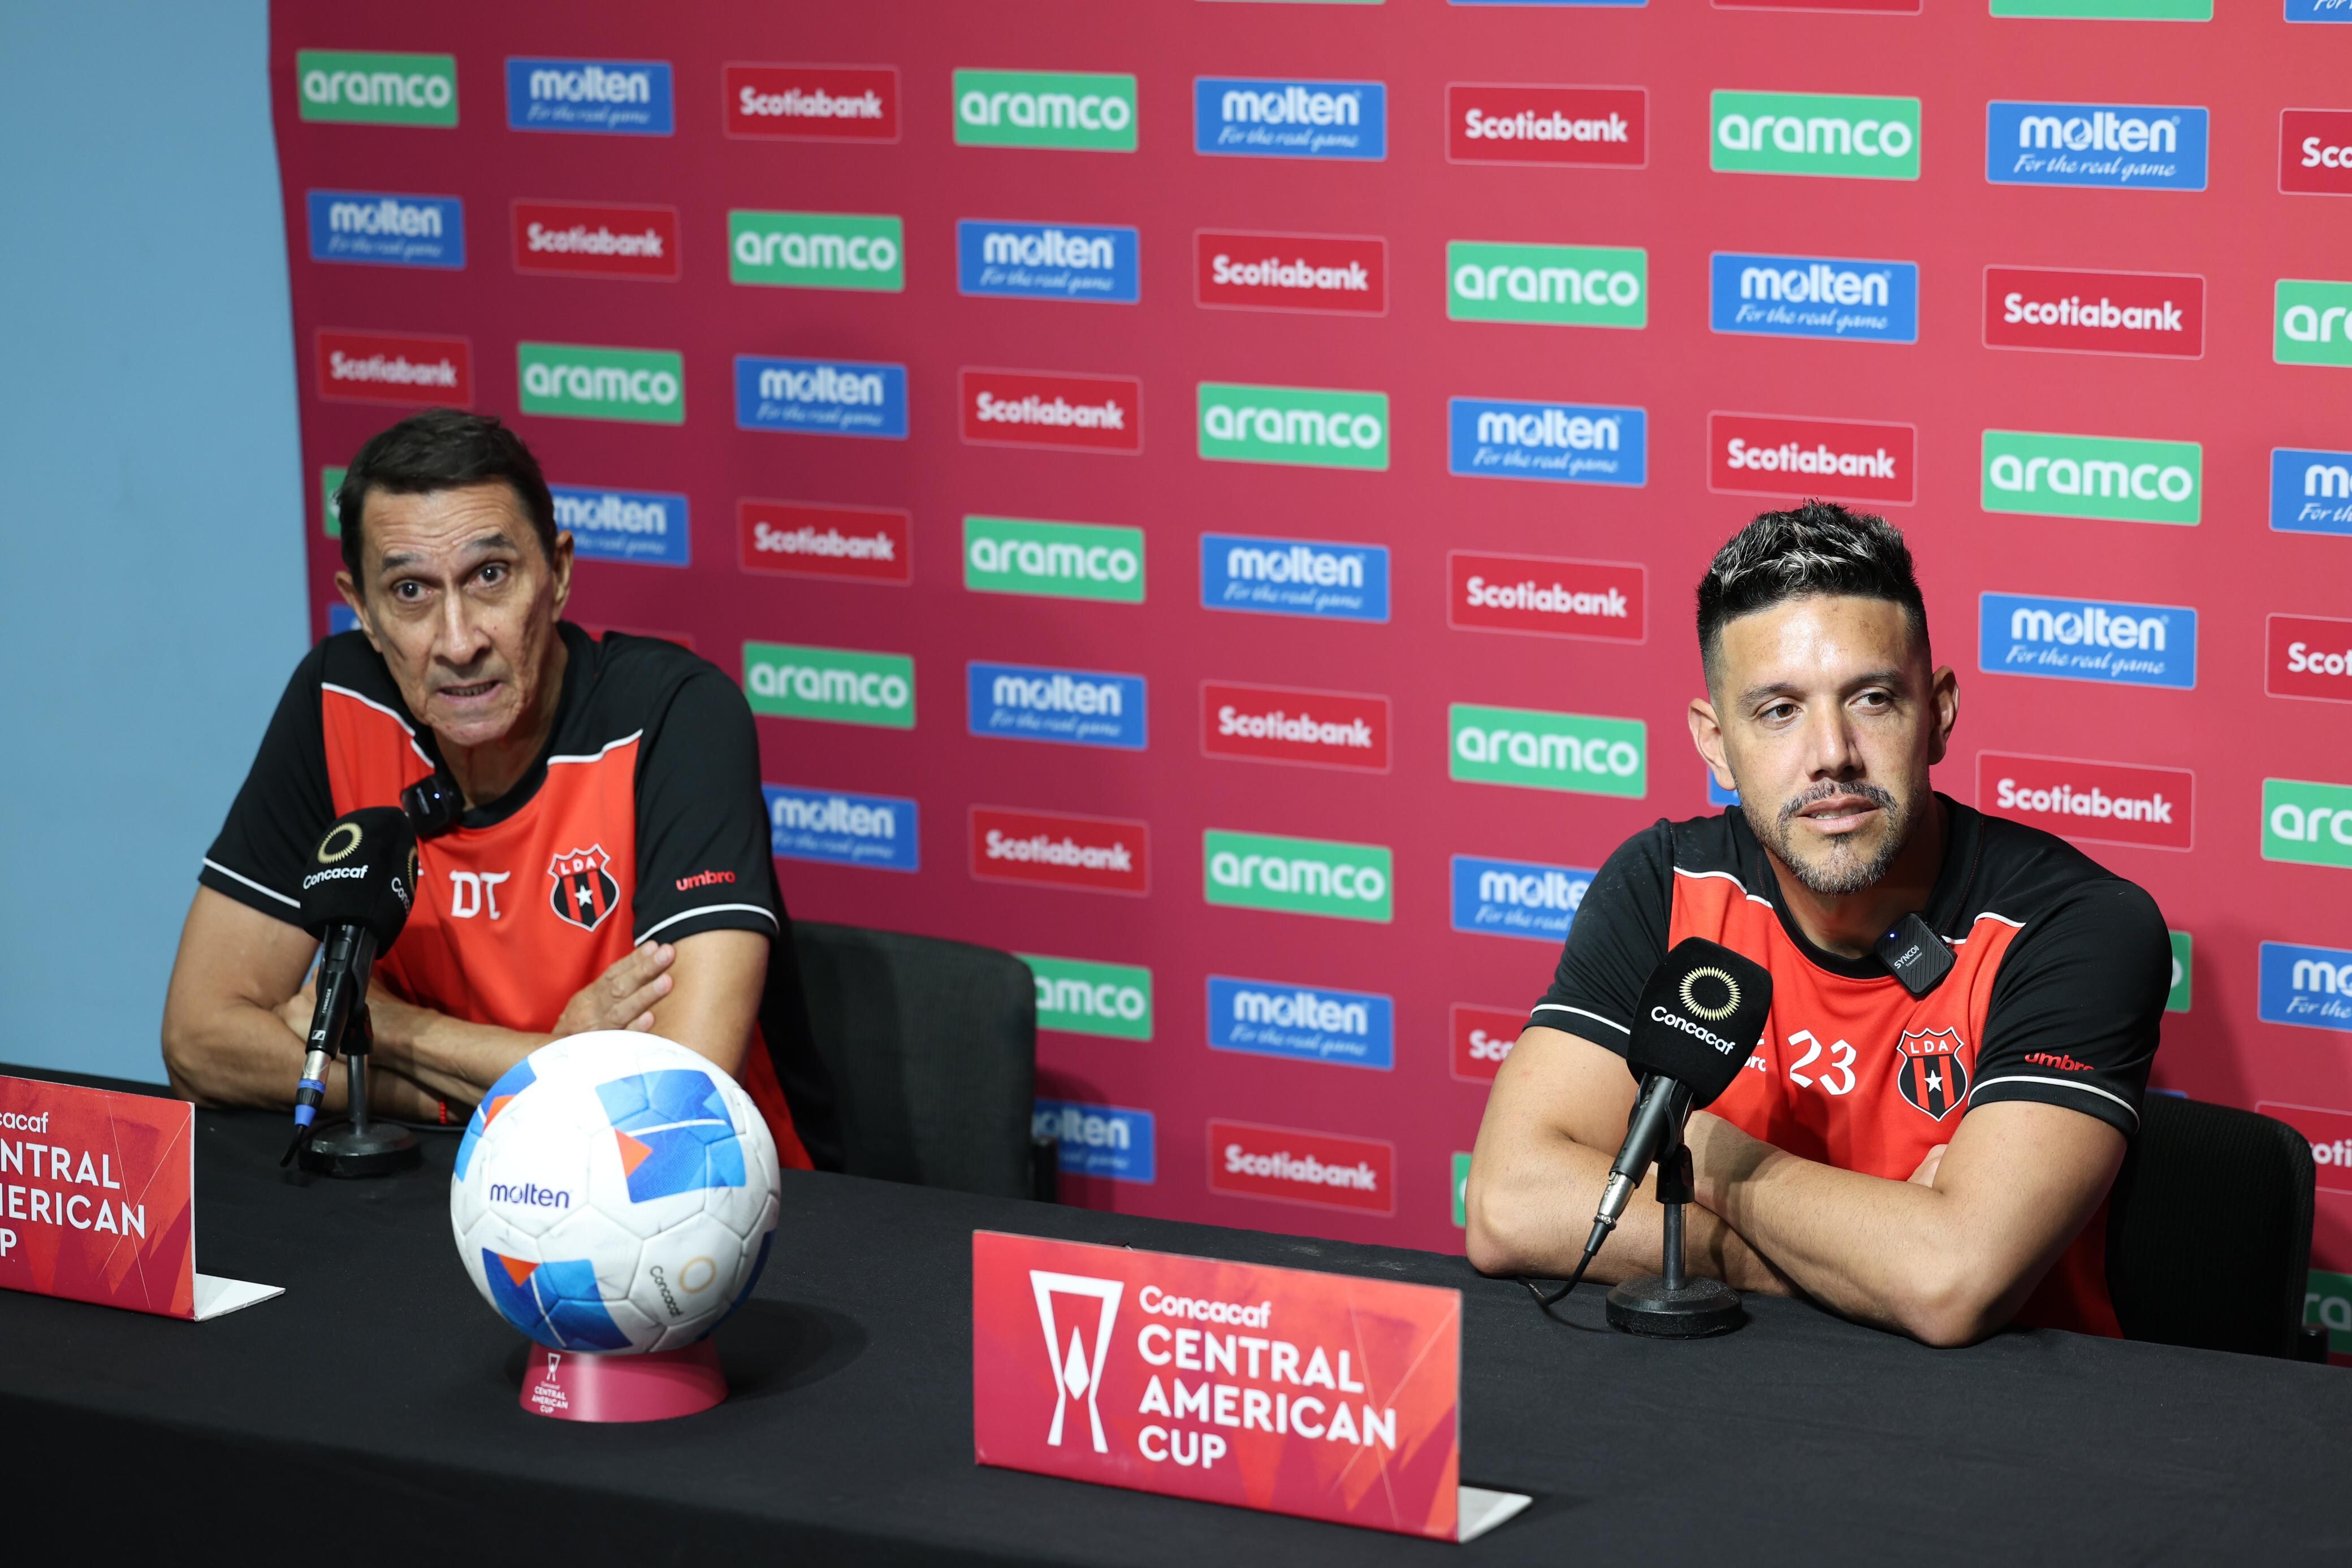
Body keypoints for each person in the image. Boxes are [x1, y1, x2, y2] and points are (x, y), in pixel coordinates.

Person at [1464, 501, 2169, 1344]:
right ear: (1715, 740)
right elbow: (1509, 1204)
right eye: (1778, 711)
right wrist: (1881, 1247)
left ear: (1938, 711)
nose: (1831, 751)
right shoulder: (1665, 883)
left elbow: (1951, 1279)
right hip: (1728, 1409)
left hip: (2016, 1433)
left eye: (1872, 698)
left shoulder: (2076, 924)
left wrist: (1704, 1154)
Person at [161, 409, 840, 1171]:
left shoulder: (673, 716)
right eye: (412, 590)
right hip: (442, 1186)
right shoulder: (335, 701)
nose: (458, 641)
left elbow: (676, 1101)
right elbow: (199, 1039)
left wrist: (383, 1030)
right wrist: (550, 1061)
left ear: (559, 573)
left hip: (696, 1215)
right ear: (364, 611)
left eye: (490, 576)